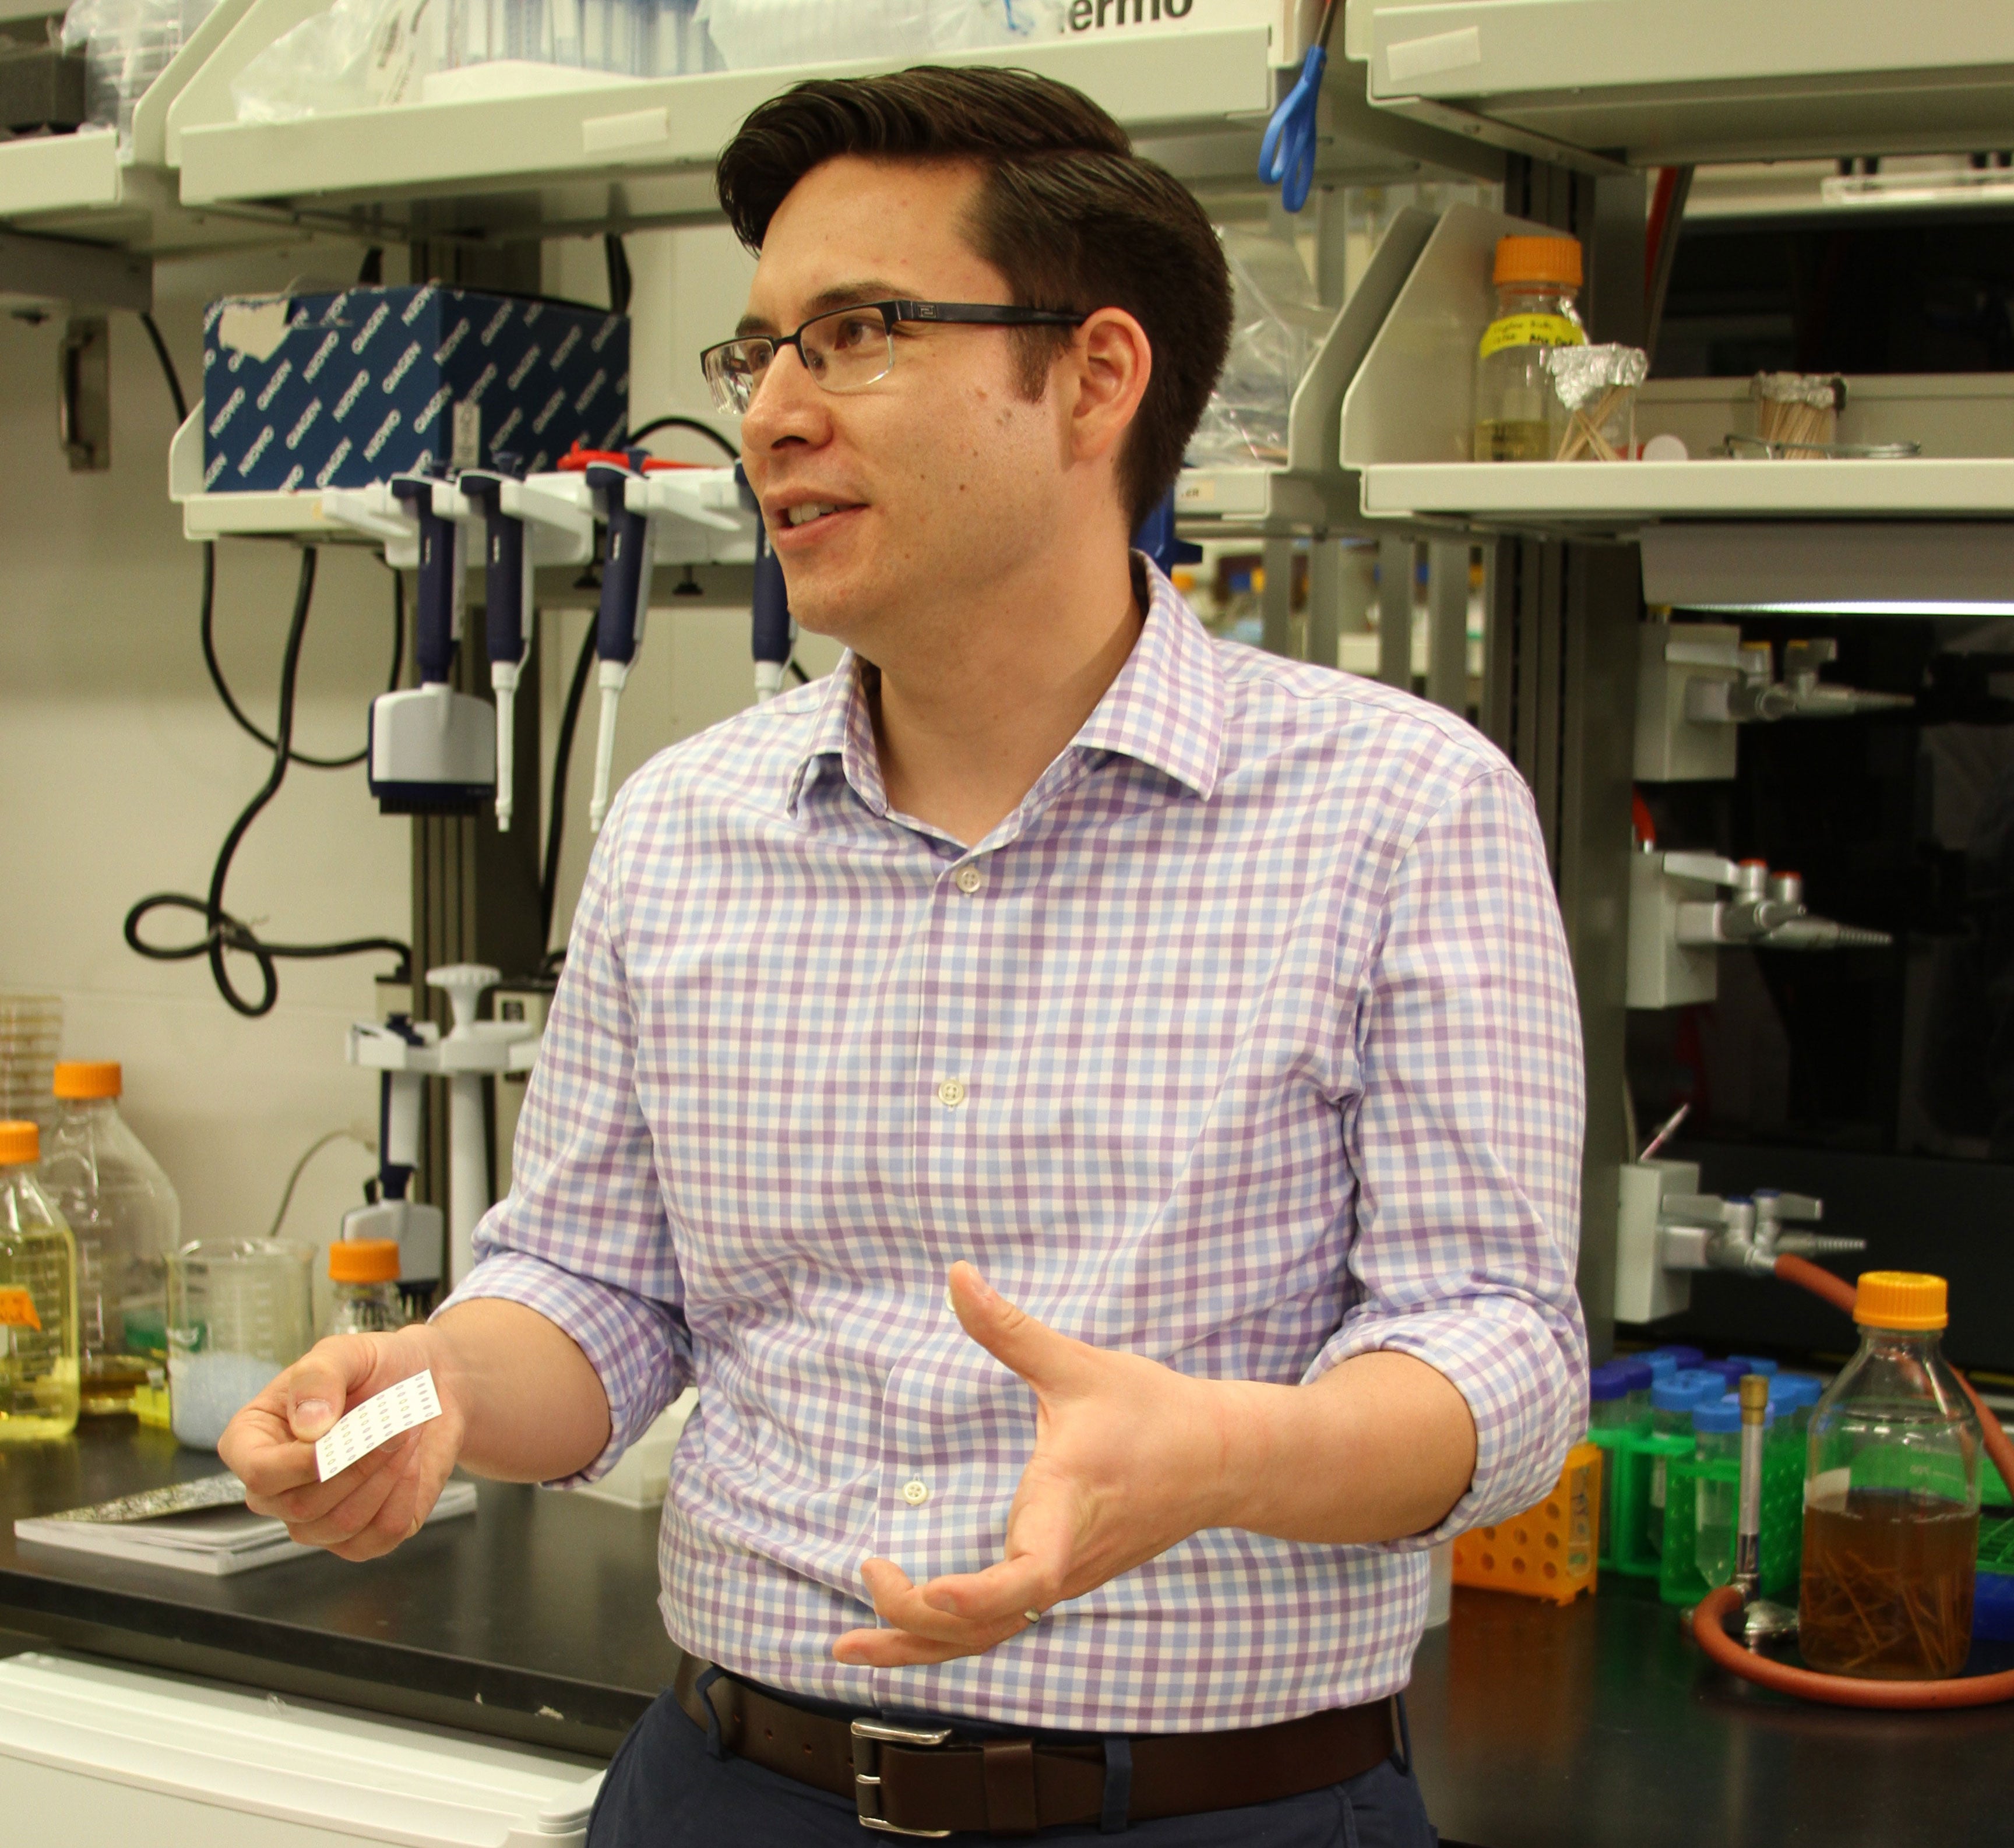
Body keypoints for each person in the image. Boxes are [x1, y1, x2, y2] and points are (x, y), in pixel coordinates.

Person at [223, 65, 1587, 1847]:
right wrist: (436, 1385)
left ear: (1096, 376)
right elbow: (596, 1291)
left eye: (856, 331)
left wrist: (1216, 1456)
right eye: (761, 351)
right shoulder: (685, 823)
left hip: (1209, 1808)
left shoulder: (1399, 808)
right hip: (733, 1787)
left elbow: (1497, 1352)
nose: (775, 411)